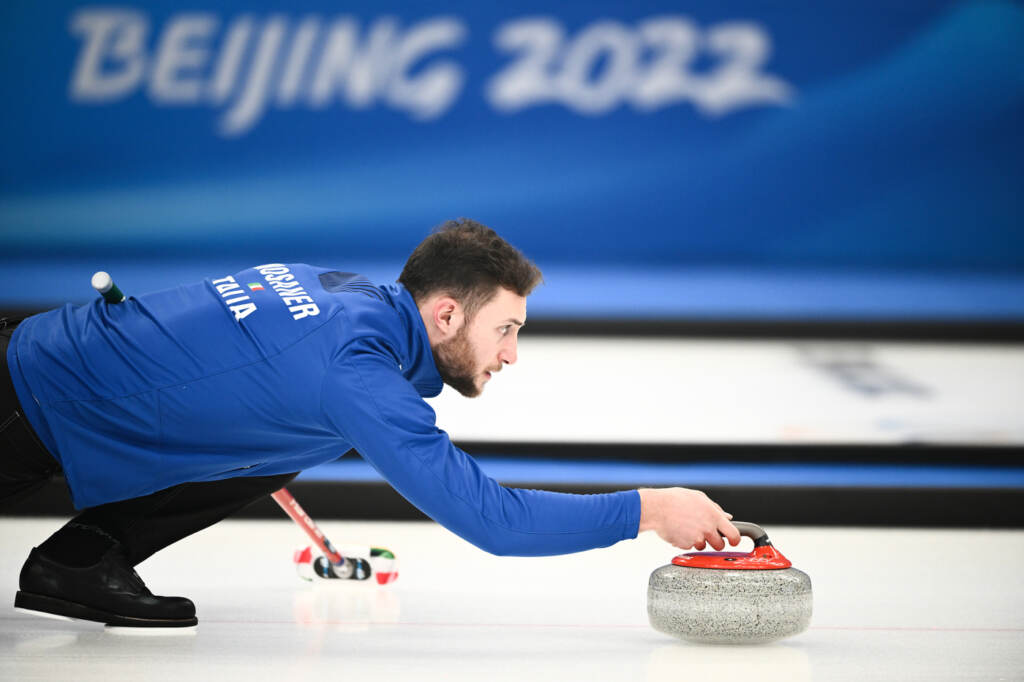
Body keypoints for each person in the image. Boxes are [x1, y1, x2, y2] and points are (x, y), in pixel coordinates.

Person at [1, 219, 739, 628]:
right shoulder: (357, 374)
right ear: (446, 313)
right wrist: (649, 509)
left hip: (35, 367)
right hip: (17, 409)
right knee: (311, 427)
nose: (512, 355)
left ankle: (81, 558)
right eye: (506, 329)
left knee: (291, 434)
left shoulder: (345, 293)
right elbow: (497, 523)